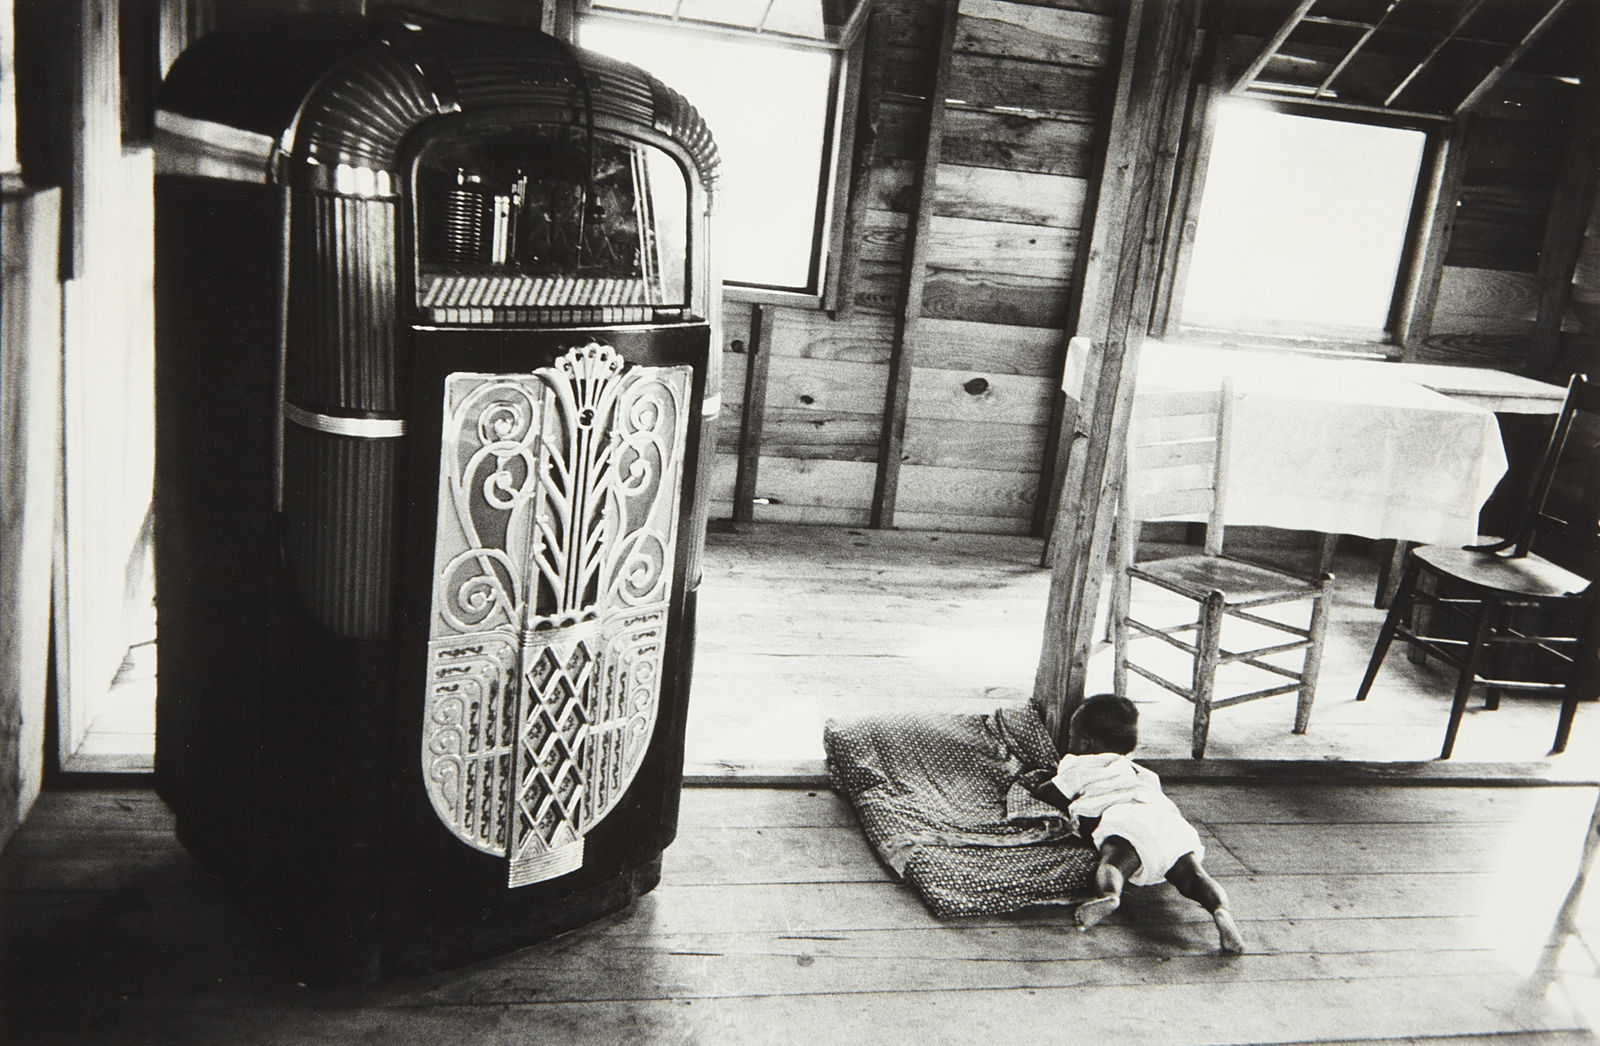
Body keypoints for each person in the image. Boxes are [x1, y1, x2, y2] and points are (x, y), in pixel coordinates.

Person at [1033, 693, 1245, 954]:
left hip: (1123, 816)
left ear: (1086, 743)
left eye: (1071, 738)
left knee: (1115, 859)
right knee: (1192, 874)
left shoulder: (1080, 765)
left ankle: (1108, 895)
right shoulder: (1141, 771)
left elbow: (1050, 793)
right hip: (1166, 821)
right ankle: (1220, 912)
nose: (1069, 743)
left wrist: (1038, 782)